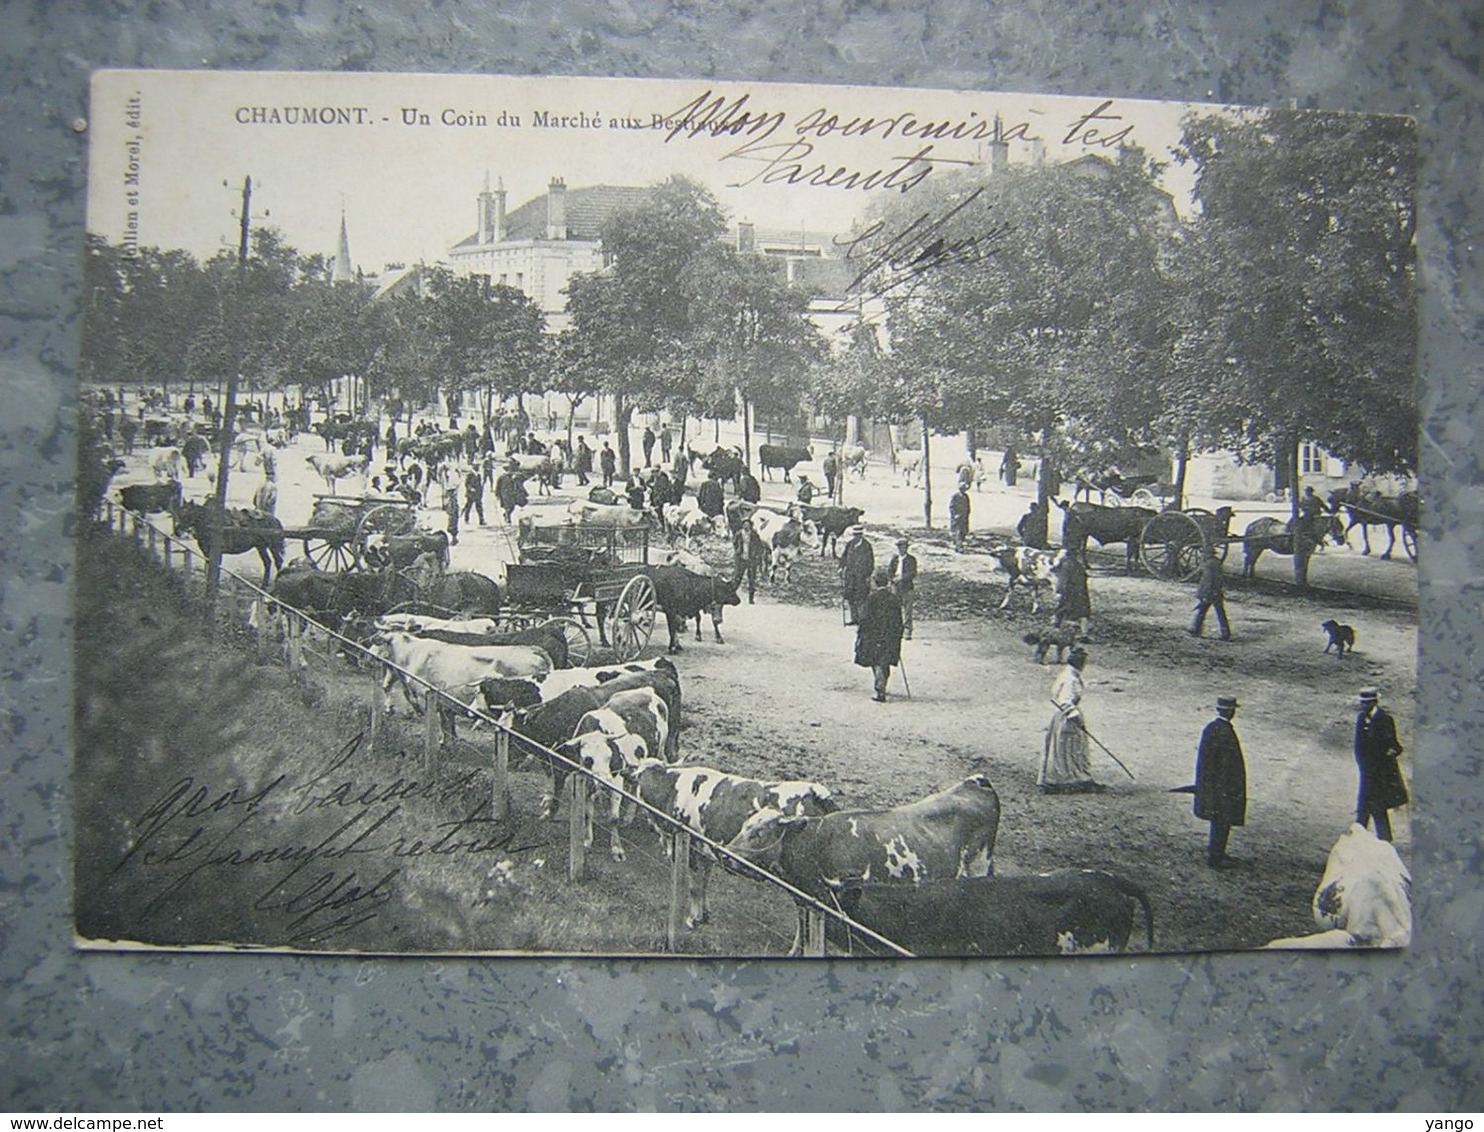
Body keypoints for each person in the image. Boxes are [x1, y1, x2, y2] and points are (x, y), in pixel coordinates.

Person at [1194, 695, 1247, 868]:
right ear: (1231, 711)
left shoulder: (1211, 728)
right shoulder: (1225, 732)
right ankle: (1216, 858)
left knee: (1218, 821)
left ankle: (1215, 852)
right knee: (1222, 822)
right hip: (1222, 788)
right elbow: (1226, 765)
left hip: (1212, 786)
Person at [1039, 647, 1101, 793]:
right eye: (1083, 662)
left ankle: (1074, 777)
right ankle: (1069, 780)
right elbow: (1064, 700)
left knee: (1072, 747)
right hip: (1067, 717)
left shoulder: (1070, 674)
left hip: (1064, 716)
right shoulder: (1070, 679)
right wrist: (1074, 716)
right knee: (1070, 748)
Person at [1354, 687, 1407, 841]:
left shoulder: (1384, 719)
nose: (1363, 706)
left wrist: (1389, 755)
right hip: (1367, 770)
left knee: (1377, 807)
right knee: (1364, 804)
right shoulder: (1361, 718)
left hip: (1381, 772)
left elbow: (1396, 746)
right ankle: (1358, 836)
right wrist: (1362, 763)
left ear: (1374, 702)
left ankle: (1384, 839)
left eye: (1367, 703)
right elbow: (1358, 745)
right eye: (1362, 703)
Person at [854, 569, 905, 702]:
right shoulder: (893, 598)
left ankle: (880, 688)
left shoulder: (872, 598)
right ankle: (882, 684)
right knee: (885, 661)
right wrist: (899, 634)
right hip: (890, 636)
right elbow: (899, 619)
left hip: (874, 636)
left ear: (875, 583)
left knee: (876, 661)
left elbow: (865, 619)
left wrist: (861, 632)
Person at [1189, 551, 1231, 640]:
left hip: (1209, 592)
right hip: (1217, 591)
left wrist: (1205, 593)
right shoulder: (1216, 562)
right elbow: (1219, 578)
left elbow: (1208, 580)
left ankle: (1195, 630)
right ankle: (1225, 633)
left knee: (1201, 611)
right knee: (1220, 613)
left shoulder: (1208, 564)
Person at [838, 524, 875, 626]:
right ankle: (854, 618)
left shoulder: (867, 546)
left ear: (861, 535)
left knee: (861, 597)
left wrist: (868, 575)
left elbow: (870, 562)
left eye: (858, 535)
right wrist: (841, 568)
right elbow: (843, 557)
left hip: (861, 577)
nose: (856, 537)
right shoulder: (850, 544)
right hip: (850, 576)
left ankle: (861, 619)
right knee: (850, 597)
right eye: (855, 535)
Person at [886, 537, 918, 640]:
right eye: (900, 547)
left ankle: (908, 631)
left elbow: (913, 573)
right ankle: (895, 629)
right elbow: (889, 571)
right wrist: (892, 579)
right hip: (895, 586)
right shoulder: (894, 559)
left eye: (904, 547)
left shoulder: (911, 559)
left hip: (907, 587)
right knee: (895, 609)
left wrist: (902, 578)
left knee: (908, 610)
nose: (902, 549)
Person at [1054, 548, 1091, 636]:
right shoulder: (1079, 566)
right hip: (1081, 593)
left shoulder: (1065, 566)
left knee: (1061, 610)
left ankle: (1056, 628)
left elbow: (1062, 581)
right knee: (1083, 612)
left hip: (1068, 592)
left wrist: (1059, 592)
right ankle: (1084, 633)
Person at [949, 483, 971, 552]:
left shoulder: (966, 496)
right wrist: (954, 515)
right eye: (962, 489)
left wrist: (967, 514)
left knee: (963, 532)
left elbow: (968, 506)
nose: (964, 490)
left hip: (964, 518)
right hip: (957, 518)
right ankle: (958, 547)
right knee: (957, 532)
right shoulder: (955, 496)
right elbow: (951, 507)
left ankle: (960, 544)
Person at [442, 480, 460, 545]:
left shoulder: (452, 500)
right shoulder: (452, 499)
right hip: (453, 515)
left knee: (452, 528)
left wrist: (450, 512)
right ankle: (454, 539)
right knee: (452, 528)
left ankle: (454, 539)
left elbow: (452, 508)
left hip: (453, 515)